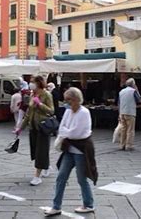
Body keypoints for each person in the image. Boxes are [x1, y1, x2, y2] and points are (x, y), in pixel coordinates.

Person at [44, 87, 97, 216]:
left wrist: (67, 133)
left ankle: (88, 204)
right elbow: (62, 128)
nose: (66, 102)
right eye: (65, 99)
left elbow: (76, 133)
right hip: (69, 149)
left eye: (68, 100)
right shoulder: (68, 111)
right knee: (61, 177)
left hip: (81, 150)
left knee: (81, 179)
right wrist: (67, 132)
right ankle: (56, 206)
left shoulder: (84, 112)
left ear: (76, 99)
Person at [16, 75, 55, 186]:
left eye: (32, 82)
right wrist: (20, 128)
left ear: (38, 83)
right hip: (33, 127)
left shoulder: (46, 94)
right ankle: (46, 167)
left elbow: (51, 111)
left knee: (40, 152)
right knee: (36, 151)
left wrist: (40, 104)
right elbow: (28, 114)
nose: (30, 84)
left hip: (42, 127)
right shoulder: (33, 95)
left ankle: (37, 177)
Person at [118, 78, 141, 151]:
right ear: (133, 84)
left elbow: (119, 102)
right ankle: (129, 145)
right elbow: (139, 100)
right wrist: (137, 90)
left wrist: (119, 113)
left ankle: (122, 145)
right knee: (130, 130)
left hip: (122, 112)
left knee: (123, 129)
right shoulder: (133, 91)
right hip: (130, 112)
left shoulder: (121, 91)